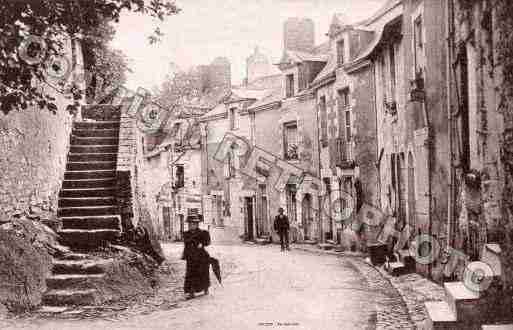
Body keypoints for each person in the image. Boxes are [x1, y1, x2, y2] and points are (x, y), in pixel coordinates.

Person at [181, 214, 211, 299]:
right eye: (189, 224)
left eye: (193, 224)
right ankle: (191, 291)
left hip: (201, 257)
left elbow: (208, 242)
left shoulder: (203, 233)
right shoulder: (186, 234)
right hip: (191, 257)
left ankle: (205, 288)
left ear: (197, 224)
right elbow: (186, 244)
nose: (191, 226)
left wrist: (202, 244)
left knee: (203, 273)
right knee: (190, 274)